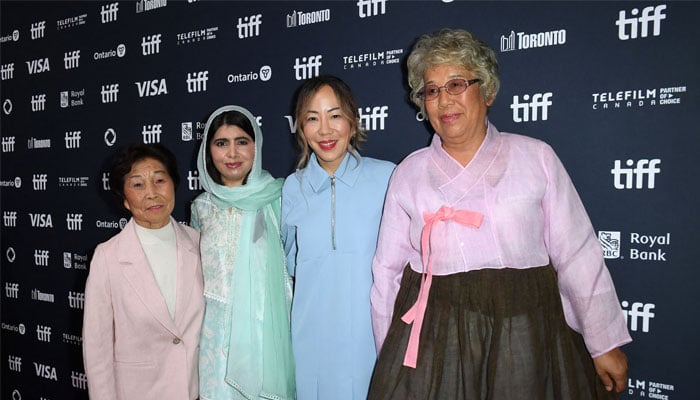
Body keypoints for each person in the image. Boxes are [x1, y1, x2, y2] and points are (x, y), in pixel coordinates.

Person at [368, 29, 631, 399]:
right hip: (436, 343)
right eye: (431, 90)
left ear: (487, 91)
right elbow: (387, 274)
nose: (444, 100)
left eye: (456, 84)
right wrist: (391, 351)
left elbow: (577, 252)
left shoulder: (535, 157)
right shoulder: (408, 174)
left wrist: (603, 341)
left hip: (525, 332)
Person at [281, 75, 396, 400]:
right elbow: (291, 266)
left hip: (370, 339)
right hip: (310, 343)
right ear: (301, 128)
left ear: (353, 120)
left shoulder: (387, 177)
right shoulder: (292, 188)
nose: (325, 130)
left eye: (335, 115)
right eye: (312, 119)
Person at [83, 143, 204, 400]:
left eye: (160, 180)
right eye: (138, 185)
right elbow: (97, 351)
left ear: (174, 184)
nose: (152, 193)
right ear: (125, 199)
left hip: (195, 391)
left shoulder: (200, 243)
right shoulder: (108, 257)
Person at [191, 105, 295, 400]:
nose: (232, 154)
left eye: (242, 142)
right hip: (216, 339)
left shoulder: (279, 196)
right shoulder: (201, 207)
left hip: (267, 333)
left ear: (256, 145)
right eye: (221, 143)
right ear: (208, 150)